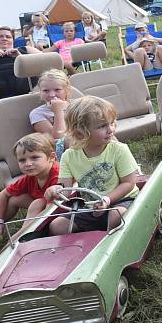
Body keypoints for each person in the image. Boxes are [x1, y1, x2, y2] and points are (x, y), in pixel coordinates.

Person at [45, 97, 141, 235]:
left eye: (112, 123)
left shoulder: (119, 149)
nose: (111, 129)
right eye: (102, 126)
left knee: (117, 216)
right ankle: (87, 240)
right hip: (90, 207)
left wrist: (107, 200)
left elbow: (129, 183)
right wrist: (56, 190)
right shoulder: (69, 156)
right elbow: (66, 189)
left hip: (122, 200)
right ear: (80, 132)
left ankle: (105, 243)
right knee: (57, 226)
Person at [0, 133, 59, 244]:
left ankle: (22, 235)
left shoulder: (57, 175)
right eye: (22, 160)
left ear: (51, 157)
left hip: (59, 212)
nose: (28, 164)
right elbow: (3, 194)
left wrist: (17, 235)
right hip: (44, 207)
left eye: (34, 157)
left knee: (38, 203)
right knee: (15, 199)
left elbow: (51, 209)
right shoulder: (29, 177)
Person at [30, 68, 70, 147]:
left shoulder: (76, 105)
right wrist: (58, 112)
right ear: (40, 92)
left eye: (57, 90)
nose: (52, 94)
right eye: (46, 91)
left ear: (66, 90)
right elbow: (58, 140)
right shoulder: (37, 113)